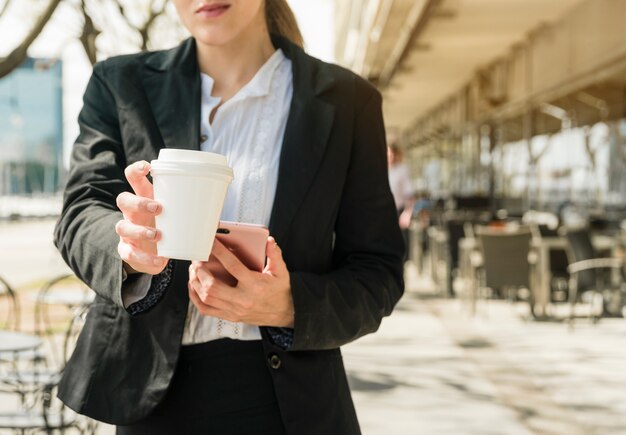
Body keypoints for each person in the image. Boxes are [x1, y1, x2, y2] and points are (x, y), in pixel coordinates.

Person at [54, 1, 404, 434]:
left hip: (292, 405)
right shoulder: (120, 83)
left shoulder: (348, 102)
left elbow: (378, 270)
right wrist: (126, 251)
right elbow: (81, 211)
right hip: (148, 398)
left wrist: (291, 305)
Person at [387, 143, 414, 260]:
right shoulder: (379, 170)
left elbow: (409, 195)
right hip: (383, 213)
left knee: (400, 252)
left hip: (398, 212)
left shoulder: (402, 171)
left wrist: (407, 213)